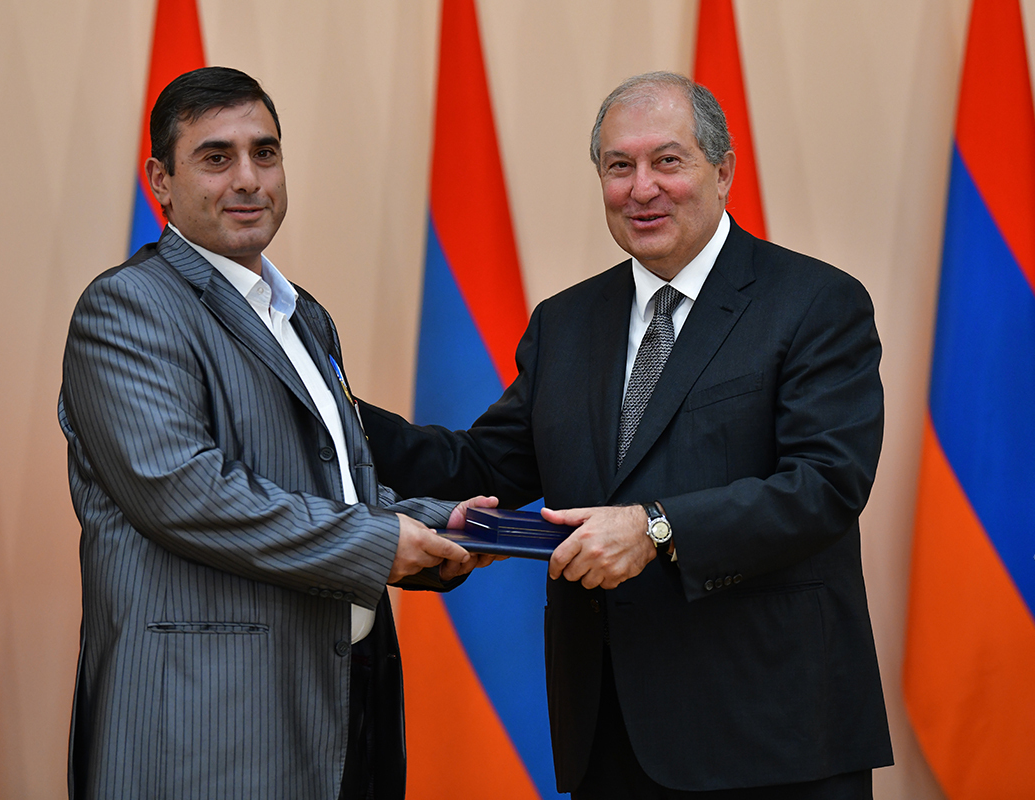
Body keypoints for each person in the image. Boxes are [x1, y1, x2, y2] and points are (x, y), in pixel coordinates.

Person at [360, 72, 893, 798]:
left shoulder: (814, 302)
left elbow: (825, 485)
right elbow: (482, 467)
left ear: (723, 171)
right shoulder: (565, 322)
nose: (642, 188)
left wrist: (656, 528)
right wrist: (327, 406)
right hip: (609, 735)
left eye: (667, 161)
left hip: (773, 731)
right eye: (619, 166)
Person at [58, 66, 494, 800]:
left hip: (340, 704)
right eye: (216, 157)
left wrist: (439, 525)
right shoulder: (128, 307)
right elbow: (186, 494)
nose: (248, 179)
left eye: (265, 153)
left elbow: (333, 486)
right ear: (161, 181)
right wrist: (382, 543)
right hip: (208, 726)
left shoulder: (302, 314)